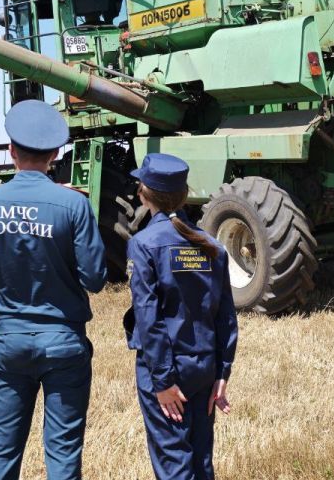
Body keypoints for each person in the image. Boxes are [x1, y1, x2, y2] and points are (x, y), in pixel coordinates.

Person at [0, 99, 107, 480]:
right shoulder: (73, 205)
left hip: (8, 339)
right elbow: (95, 277)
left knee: (1, 448)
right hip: (63, 340)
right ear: (56, 154)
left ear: (11, 151)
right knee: (62, 453)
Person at [124, 153, 238, 480]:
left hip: (167, 368)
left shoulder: (144, 244)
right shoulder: (212, 245)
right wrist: (222, 372)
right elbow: (225, 316)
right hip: (204, 367)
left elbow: (148, 318)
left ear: (143, 195)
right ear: (185, 195)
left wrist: (162, 381)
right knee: (201, 462)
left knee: (174, 464)